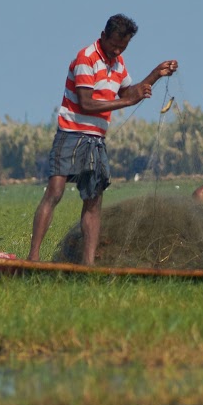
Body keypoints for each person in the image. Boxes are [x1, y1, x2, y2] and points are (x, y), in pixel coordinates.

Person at [28, 15, 178, 264]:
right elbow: (87, 102)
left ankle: (88, 265)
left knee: (93, 201)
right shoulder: (86, 58)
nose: (118, 50)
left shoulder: (118, 63)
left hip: (96, 138)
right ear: (103, 36)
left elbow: (129, 92)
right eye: (114, 45)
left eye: (123, 47)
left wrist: (155, 75)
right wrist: (128, 101)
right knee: (54, 192)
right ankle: (33, 257)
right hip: (71, 132)